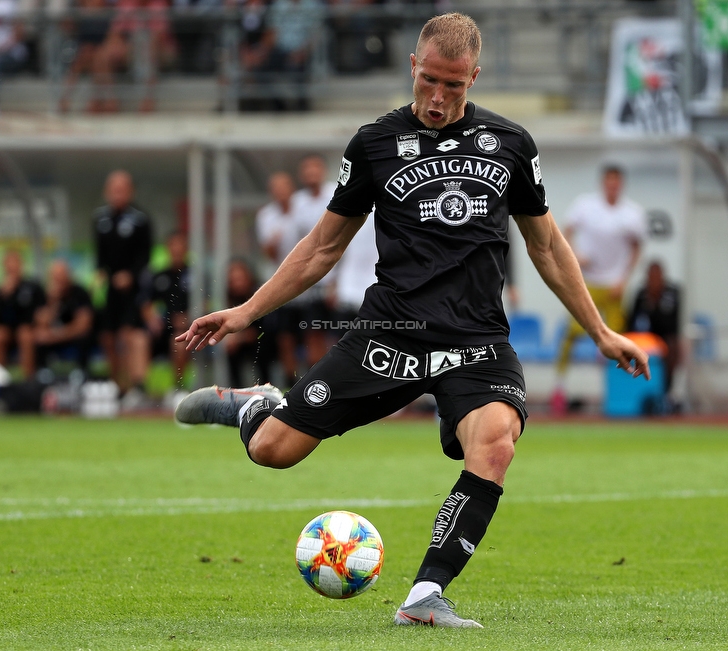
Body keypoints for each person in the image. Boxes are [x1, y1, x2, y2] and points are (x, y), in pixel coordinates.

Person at [174, 13, 648, 628]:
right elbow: (322, 248)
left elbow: (549, 247)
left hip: (477, 340)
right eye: (429, 80)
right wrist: (246, 311)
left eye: (454, 85)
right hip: (390, 332)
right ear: (413, 68)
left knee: (496, 443)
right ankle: (256, 407)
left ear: (474, 77)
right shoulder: (374, 144)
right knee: (273, 451)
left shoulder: (510, 144)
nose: (438, 97)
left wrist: (601, 331)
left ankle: (426, 594)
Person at [551, 164, 646, 415]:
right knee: (571, 334)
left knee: (618, 340)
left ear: (621, 185)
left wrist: (624, 280)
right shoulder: (585, 206)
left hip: (614, 285)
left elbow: (637, 248)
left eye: (617, 182)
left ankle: (616, 394)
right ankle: (559, 389)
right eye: (609, 181)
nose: (612, 186)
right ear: (603, 183)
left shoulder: (632, 213)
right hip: (587, 283)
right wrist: (575, 256)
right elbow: (565, 231)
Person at [93, 169, 153, 400]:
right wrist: (101, 274)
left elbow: (145, 255)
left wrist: (130, 275)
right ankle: (116, 384)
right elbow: (100, 255)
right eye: (113, 189)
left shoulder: (140, 219)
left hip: (133, 290)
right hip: (109, 290)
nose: (117, 194)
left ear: (130, 191)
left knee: (128, 335)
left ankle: (134, 385)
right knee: (108, 337)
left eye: (122, 189)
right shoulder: (100, 219)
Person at [254, 170, 303, 384]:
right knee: (285, 338)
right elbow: (269, 253)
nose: (280, 192)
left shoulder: (306, 209)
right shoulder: (266, 216)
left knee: (316, 333)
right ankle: (292, 383)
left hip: (313, 283)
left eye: (284, 186)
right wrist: (272, 244)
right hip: (284, 285)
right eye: (276, 188)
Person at [291, 153, 338, 365]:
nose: (311, 174)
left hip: (336, 279)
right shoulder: (298, 202)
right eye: (307, 170)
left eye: (315, 169)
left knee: (338, 335)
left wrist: (337, 281)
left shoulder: (335, 193)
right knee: (312, 332)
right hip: (311, 281)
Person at [0, 249, 45, 378]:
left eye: (15, 263)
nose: (12, 267)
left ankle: (28, 381)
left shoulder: (33, 286)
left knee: (25, 335)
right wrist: (4, 296)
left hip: (27, 328)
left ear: (21, 265)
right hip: (6, 329)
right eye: (8, 263)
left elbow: (40, 313)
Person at [140, 231, 190, 390]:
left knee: (179, 342)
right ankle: (138, 389)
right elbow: (146, 303)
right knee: (137, 339)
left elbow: (206, 304)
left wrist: (189, 318)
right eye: (172, 245)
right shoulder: (159, 276)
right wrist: (151, 319)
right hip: (162, 327)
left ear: (186, 249)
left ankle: (178, 388)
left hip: (189, 330)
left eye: (179, 245)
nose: (176, 249)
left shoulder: (196, 275)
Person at [33, 259, 95, 375]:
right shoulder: (45, 295)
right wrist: (53, 302)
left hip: (72, 336)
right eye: (55, 276)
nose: (58, 280)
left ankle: (82, 373)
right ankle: (42, 375)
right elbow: (41, 324)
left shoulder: (79, 293)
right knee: (37, 337)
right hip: (55, 337)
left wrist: (56, 335)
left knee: (84, 337)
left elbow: (83, 326)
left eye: (61, 275)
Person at [628, 260, 680, 396]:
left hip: (668, 338)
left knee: (674, 348)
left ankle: (666, 390)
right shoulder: (642, 294)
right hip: (648, 339)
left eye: (657, 275)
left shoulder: (672, 294)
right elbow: (631, 321)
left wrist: (655, 305)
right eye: (651, 275)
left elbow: (674, 324)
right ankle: (637, 390)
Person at [222, 257, 272, 387]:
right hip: (241, 342)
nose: (237, 284)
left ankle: (265, 388)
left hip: (264, 339)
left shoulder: (260, 294)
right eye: (233, 280)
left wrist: (239, 337)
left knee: (262, 346)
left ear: (249, 277)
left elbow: (261, 330)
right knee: (231, 349)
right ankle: (236, 390)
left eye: (240, 279)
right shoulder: (229, 298)